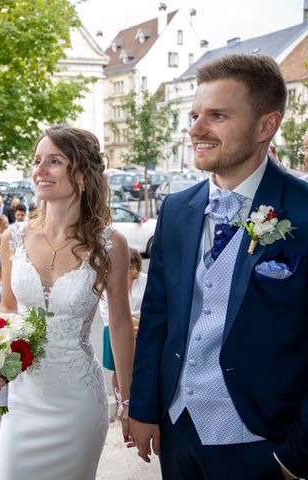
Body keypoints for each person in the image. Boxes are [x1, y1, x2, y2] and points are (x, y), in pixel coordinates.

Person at [129, 54, 308, 480]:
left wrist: (295, 455)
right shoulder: (176, 208)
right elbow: (158, 316)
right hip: (177, 430)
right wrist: (144, 408)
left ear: (266, 125)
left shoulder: (304, 211)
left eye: (217, 116)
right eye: (194, 115)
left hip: (263, 440)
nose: (195, 130)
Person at [0, 125, 135, 479]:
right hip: (24, 398)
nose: (39, 170)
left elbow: (118, 325)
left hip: (77, 403)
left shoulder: (110, 245)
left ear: (82, 175)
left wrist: (129, 401)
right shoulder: (13, 238)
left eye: (54, 161)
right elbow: (8, 307)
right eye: (37, 160)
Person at [99, 247, 147, 395]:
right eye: (132, 267)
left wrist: (139, 323)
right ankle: (119, 399)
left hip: (140, 328)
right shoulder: (110, 282)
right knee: (117, 369)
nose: (136, 271)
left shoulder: (145, 279)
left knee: (138, 368)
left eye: (137, 266)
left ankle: (136, 400)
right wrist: (122, 325)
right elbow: (105, 309)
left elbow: (150, 303)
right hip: (113, 329)